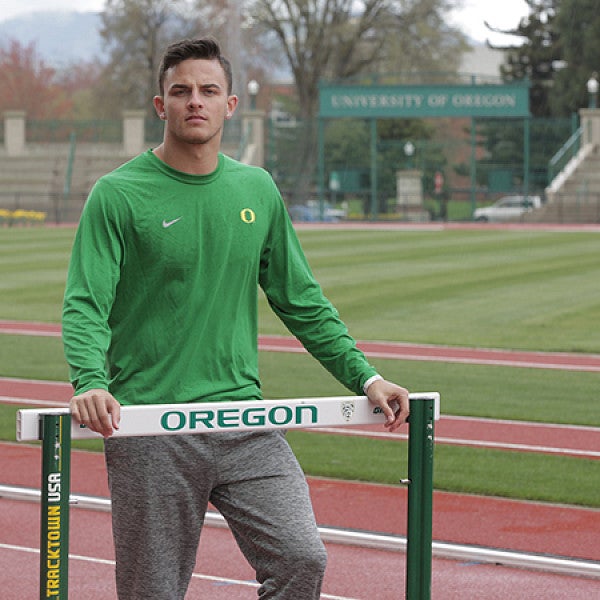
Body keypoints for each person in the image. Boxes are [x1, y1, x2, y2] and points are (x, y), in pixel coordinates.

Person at [62, 37, 410, 600]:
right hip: (152, 427)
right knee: (153, 591)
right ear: (161, 106)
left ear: (230, 105)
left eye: (208, 90)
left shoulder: (257, 189)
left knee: (302, 559)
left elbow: (302, 301)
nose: (194, 101)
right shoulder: (117, 195)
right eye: (181, 91)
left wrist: (365, 378)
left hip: (245, 420)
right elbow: (86, 302)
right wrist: (90, 381)